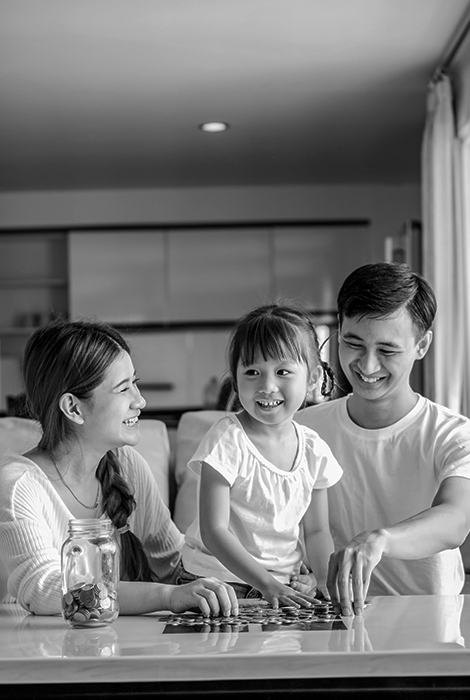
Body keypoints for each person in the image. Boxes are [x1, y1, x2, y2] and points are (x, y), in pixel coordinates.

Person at [0, 318, 238, 617]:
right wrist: (166, 597)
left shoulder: (127, 465)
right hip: (31, 652)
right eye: (124, 388)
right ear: (73, 408)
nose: (140, 400)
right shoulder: (18, 485)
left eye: (135, 383)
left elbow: (174, 564)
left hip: (111, 645)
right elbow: (46, 589)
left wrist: (273, 577)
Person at [296, 262, 470, 616]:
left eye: (387, 351)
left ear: (422, 345)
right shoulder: (302, 430)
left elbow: (456, 518)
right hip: (331, 623)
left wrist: (381, 540)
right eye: (353, 344)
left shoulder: (452, 433)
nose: (368, 365)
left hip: (427, 628)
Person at [180, 303, 343, 607]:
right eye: (252, 372)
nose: (267, 386)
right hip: (218, 581)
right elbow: (213, 531)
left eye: (283, 372)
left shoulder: (314, 449)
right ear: (236, 378)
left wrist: (322, 581)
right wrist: (267, 584)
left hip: (279, 586)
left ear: (311, 379)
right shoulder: (227, 438)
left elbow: (318, 531)